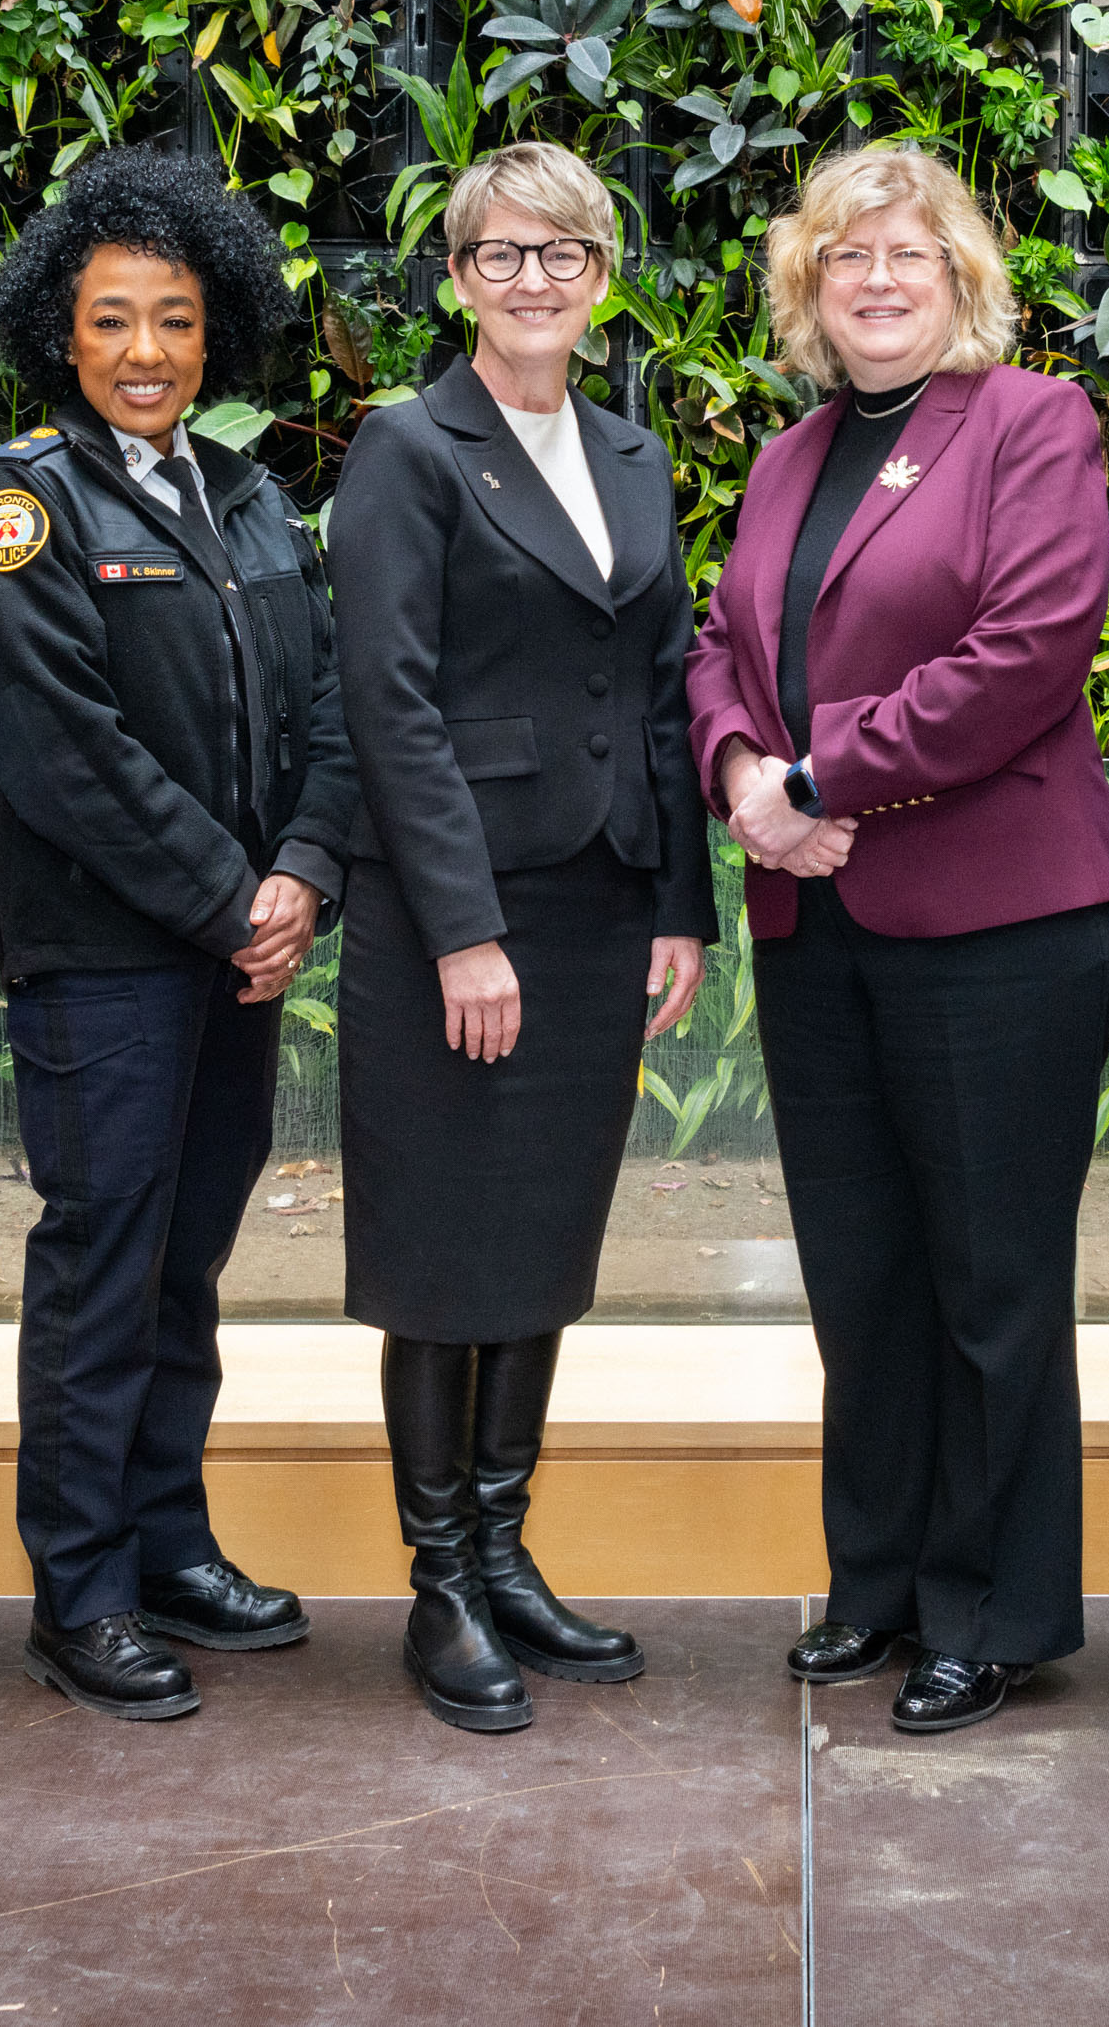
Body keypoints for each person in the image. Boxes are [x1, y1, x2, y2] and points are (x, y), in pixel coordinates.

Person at [683, 141, 1109, 1735]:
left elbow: (1030, 648)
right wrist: (744, 773)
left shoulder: (1029, 422)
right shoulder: (793, 453)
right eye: (847, 260)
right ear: (810, 289)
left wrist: (815, 773)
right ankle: (875, 1581)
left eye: (910, 258)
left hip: (999, 920)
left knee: (990, 1280)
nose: (878, 282)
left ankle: (992, 1609)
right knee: (861, 1274)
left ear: (965, 283)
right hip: (821, 919)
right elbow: (720, 642)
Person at [0, 149, 355, 1721]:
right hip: (110, 957)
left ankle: (168, 1538)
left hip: (239, 951)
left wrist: (304, 871)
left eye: (175, 321)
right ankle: (81, 1590)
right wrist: (222, 894)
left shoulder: (250, 494)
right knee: (102, 1264)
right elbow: (61, 745)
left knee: (184, 1259)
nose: (143, 350)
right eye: (112, 319)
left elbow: (327, 698)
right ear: (63, 331)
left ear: (217, 335)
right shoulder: (20, 504)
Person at [323, 144, 715, 1732]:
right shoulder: (407, 449)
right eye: (501, 254)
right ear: (456, 277)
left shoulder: (629, 451)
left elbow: (669, 676)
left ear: (602, 275)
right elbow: (389, 705)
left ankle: (504, 1547)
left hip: (600, 904)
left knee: (542, 1246)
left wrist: (680, 895)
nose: (534, 279)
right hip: (455, 919)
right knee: (442, 1256)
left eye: (563, 254)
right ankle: (438, 1586)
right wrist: (461, 932)